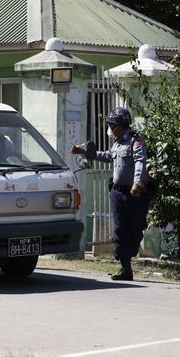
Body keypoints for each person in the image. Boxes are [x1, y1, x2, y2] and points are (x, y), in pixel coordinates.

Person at [71, 107, 149, 281]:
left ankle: (129, 252)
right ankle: (125, 268)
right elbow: (108, 156)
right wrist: (84, 152)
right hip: (116, 192)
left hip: (133, 193)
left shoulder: (135, 141)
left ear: (122, 125)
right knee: (120, 230)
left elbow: (140, 162)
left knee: (136, 229)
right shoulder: (118, 142)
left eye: (113, 124)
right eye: (110, 124)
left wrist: (137, 182)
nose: (111, 128)